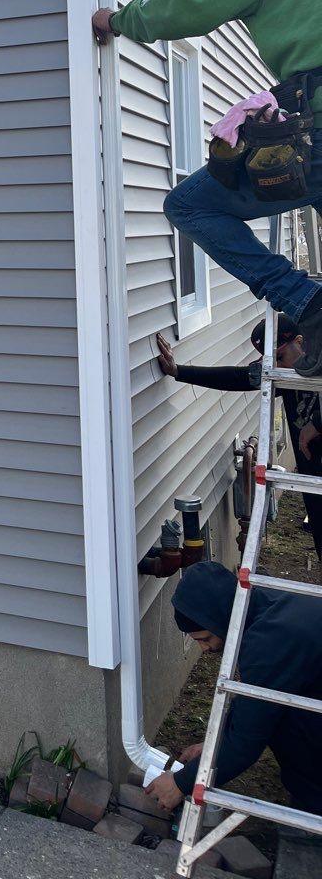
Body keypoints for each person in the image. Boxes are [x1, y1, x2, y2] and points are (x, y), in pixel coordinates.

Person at [91, 0, 322, 376]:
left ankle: (307, 303)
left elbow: (189, 5)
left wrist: (117, 20)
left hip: (318, 133)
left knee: (189, 205)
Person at [145, 561, 322, 816]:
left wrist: (181, 783)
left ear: (220, 617)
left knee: (284, 724)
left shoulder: (267, 644)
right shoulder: (265, 604)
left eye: (205, 638)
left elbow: (245, 744)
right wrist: (214, 744)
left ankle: (312, 811)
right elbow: (255, 700)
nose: (204, 648)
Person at [155, 319, 322, 557]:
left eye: (280, 357)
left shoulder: (316, 368)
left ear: (300, 342)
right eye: (269, 361)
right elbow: (236, 377)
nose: (276, 367)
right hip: (313, 479)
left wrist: (317, 423)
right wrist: (178, 371)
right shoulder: (285, 373)